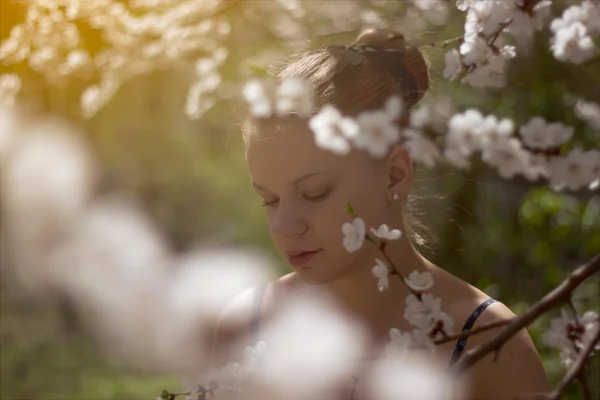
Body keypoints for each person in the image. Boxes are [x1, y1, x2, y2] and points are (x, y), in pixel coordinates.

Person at [211, 28, 551, 399]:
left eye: (314, 193)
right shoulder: (248, 325)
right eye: (269, 200)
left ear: (395, 174)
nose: (283, 226)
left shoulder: (486, 339)